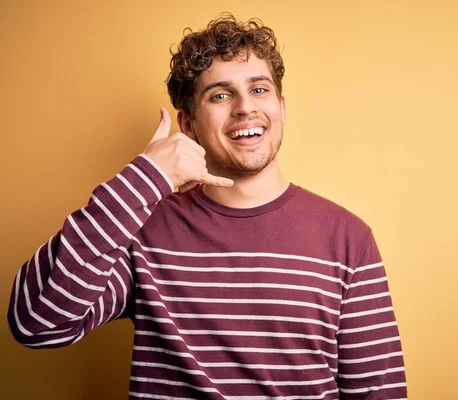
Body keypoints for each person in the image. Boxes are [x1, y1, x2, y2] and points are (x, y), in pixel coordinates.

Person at [7, 14, 407, 399]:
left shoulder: (348, 238)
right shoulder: (141, 227)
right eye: (220, 94)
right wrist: (144, 179)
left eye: (259, 89)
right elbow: (37, 324)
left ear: (282, 107)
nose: (245, 107)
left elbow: (379, 393)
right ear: (189, 125)